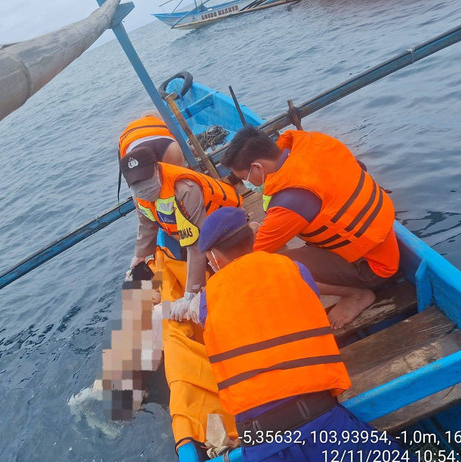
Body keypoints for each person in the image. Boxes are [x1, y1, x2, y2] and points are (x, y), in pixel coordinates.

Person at [196, 207, 429, 462]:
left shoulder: (206, 301)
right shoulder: (294, 268)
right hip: (328, 426)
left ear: (213, 257)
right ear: (252, 237)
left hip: (263, 450)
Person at [221, 127, 400, 329]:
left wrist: (252, 230)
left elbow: (254, 256)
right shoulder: (315, 143)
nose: (246, 184)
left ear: (257, 167)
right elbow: (360, 167)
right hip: (381, 240)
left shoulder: (290, 201)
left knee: (277, 268)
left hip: (373, 268)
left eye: (244, 178)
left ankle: (356, 295)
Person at [119, 146, 242, 321]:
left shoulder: (185, 188)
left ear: (156, 168)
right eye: (136, 183)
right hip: (189, 231)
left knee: (221, 269)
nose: (143, 187)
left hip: (226, 224)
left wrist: (190, 293)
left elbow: (197, 241)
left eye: (146, 180)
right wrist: (140, 255)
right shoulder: (138, 195)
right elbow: (146, 223)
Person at [118, 111, 185, 167]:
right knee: (181, 177)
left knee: (150, 181)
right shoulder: (164, 124)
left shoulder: (130, 128)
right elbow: (185, 148)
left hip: (137, 150)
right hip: (166, 143)